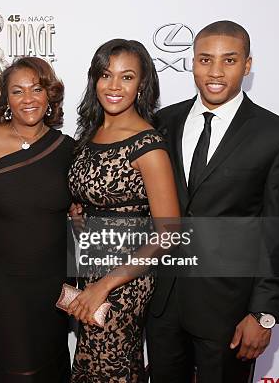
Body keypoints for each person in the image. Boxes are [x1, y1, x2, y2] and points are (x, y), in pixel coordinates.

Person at [147, 20, 279, 383]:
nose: (214, 72)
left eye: (229, 61)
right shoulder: (162, 122)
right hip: (163, 304)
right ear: (192, 63)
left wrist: (263, 315)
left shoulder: (277, 136)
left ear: (247, 66)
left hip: (231, 311)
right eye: (204, 60)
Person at [66, 39, 180, 382]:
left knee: (108, 369)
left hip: (124, 282)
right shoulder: (91, 133)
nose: (114, 86)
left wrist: (104, 286)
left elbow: (169, 233)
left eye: (126, 77)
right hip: (90, 271)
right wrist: (80, 221)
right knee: (94, 368)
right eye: (105, 75)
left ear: (142, 84)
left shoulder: (148, 145)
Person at [0, 56, 74, 382]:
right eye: (17, 91)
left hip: (54, 277)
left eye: (37, 89)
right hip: (0, 279)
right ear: (5, 99)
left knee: (52, 364)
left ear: (50, 95)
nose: (28, 99)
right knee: (18, 370)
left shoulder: (67, 148)